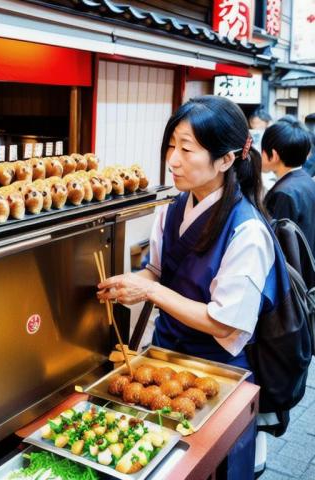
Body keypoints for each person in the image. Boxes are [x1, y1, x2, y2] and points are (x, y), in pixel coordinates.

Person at [98, 96, 290, 479]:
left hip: (216, 376)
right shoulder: (172, 209)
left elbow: (224, 323)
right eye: (172, 145)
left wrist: (152, 293)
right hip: (163, 361)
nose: (173, 159)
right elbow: (157, 270)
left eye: (187, 149)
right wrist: (132, 283)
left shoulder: (247, 230)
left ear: (226, 159)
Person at [262, 118, 315, 254]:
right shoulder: (306, 181)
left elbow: (277, 247)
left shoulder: (284, 193)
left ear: (273, 155)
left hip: (293, 272)